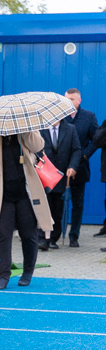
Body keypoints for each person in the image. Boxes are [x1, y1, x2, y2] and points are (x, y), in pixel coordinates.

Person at [0, 131, 51, 289]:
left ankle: (28, 272)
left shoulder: (26, 129)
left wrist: (27, 131)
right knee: (2, 236)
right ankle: (4, 275)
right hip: (3, 195)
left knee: (28, 234)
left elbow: (38, 145)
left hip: (26, 194)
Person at [38, 118, 80, 251]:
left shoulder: (70, 129)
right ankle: (43, 238)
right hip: (44, 175)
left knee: (57, 208)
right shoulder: (40, 130)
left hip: (61, 176)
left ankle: (53, 238)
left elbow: (76, 150)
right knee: (44, 207)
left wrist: (73, 166)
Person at [64, 88, 99, 248]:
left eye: (72, 99)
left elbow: (96, 140)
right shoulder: (60, 116)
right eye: (66, 98)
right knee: (57, 203)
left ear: (79, 100)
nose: (69, 102)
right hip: (61, 168)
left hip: (80, 168)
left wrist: (84, 155)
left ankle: (74, 236)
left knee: (78, 204)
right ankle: (54, 235)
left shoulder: (89, 117)